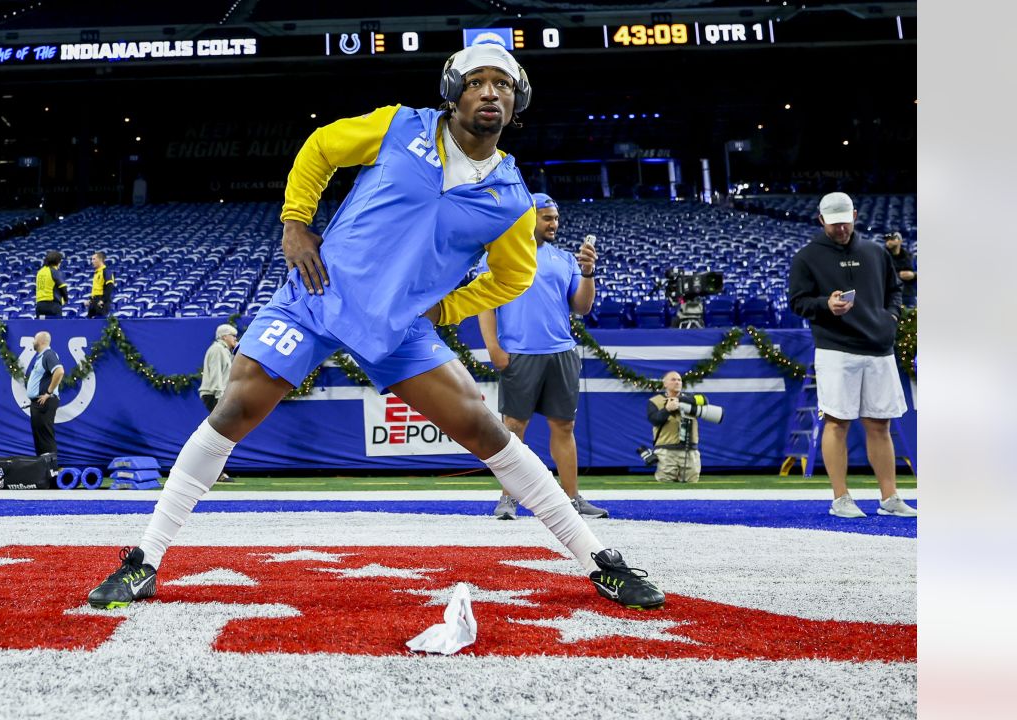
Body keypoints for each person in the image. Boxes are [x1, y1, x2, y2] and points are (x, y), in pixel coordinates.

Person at [87, 43, 665, 612]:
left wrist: (442, 312)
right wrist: (294, 223)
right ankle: (144, 559)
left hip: (397, 325)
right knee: (234, 409)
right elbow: (320, 148)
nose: (490, 92)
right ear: (451, 91)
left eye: (504, 84)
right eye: (475, 81)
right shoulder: (397, 126)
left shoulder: (512, 199)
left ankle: (599, 563)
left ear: (519, 100)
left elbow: (512, 278)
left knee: (486, 430)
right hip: (318, 293)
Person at [479, 193, 608, 520]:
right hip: (519, 353)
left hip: (561, 352)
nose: (554, 224)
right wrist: (493, 347)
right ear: (529, 218)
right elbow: (485, 304)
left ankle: (572, 499)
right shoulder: (501, 254)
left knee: (564, 426)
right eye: (547, 218)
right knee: (514, 428)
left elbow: (582, 306)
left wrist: (588, 272)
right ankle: (509, 499)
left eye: (556, 218)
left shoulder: (564, 259)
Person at [788, 192, 916, 518]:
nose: (841, 229)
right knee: (837, 422)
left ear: (855, 215)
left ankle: (889, 498)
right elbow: (798, 301)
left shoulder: (876, 252)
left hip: (879, 347)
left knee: (880, 424)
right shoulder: (807, 257)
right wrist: (824, 305)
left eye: (845, 222)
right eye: (834, 225)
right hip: (836, 349)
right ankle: (841, 498)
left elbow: (894, 290)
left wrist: (892, 317)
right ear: (821, 221)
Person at [199, 323, 239, 483]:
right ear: (224, 336)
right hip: (214, 394)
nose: (235, 339)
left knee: (221, 435)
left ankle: (216, 472)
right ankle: (215, 473)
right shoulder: (217, 350)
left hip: (218, 394)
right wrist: (220, 397)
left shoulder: (224, 351)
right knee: (219, 435)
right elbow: (216, 376)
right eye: (233, 336)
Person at [646, 371, 702, 484]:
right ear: (665, 383)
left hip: (690, 451)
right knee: (665, 487)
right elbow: (654, 420)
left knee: (692, 488)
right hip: (666, 452)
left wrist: (679, 400)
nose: (677, 382)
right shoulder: (654, 401)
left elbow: (705, 400)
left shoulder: (692, 399)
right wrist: (667, 409)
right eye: (673, 379)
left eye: (679, 380)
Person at [26, 331, 64, 456]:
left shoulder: (48, 354)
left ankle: (50, 471)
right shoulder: (42, 357)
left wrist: (48, 392)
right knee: (40, 439)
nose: (33, 342)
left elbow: (59, 371)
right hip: (38, 403)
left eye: (34, 339)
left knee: (45, 438)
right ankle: (43, 470)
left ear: (41, 341)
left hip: (44, 402)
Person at [883, 232, 916, 307]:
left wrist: (913, 275)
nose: (888, 241)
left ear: (900, 241)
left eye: (892, 239)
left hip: (908, 293)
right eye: (887, 240)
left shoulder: (910, 256)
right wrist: (898, 275)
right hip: (889, 294)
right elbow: (879, 274)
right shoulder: (882, 256)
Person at [35, 251, 68, 319]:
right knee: (56, 327)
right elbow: (63, 287)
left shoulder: (40, 272)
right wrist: (66, 299)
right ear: (57, 261)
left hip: (39, 305)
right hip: (52, 305)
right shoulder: (54, 271)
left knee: (41, 328)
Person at [86, 251, 116, 318]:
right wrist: (90, 300)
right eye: (91, 259)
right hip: (94, 301)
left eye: (94, 259)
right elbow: (96, 290)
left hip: (101, 302)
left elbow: (109, 287)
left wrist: (103, 300)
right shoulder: (96, 273)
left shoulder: (106, 272)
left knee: (100, 323)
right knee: (88, 322)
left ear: (100, 260)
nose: (92, 261)